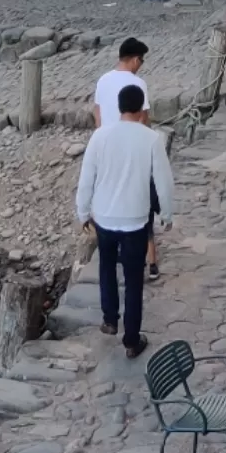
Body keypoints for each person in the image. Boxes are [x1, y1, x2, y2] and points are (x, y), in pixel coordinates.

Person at [75, 84, 174, 359]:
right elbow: (164, 182)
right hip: (136, 220)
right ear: (142, 110)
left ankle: (109, 318)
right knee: (133, 280)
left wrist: (82, 212)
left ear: (118, 107)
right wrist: (167, 213)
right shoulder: (151, 139)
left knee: (106, 266)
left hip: (104, 217)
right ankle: (131, 340)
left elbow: (87, 178)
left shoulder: (99, 136)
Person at [93, 37, 162, 281]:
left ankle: (120, 251)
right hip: (133, 150)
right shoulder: (138, 83)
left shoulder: (102, 81)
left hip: (108, 150)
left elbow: (98, 116)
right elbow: (143, 118)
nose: (141, 65)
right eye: (141, 60)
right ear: (134, 59)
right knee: (143, 204)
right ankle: (150, 261)